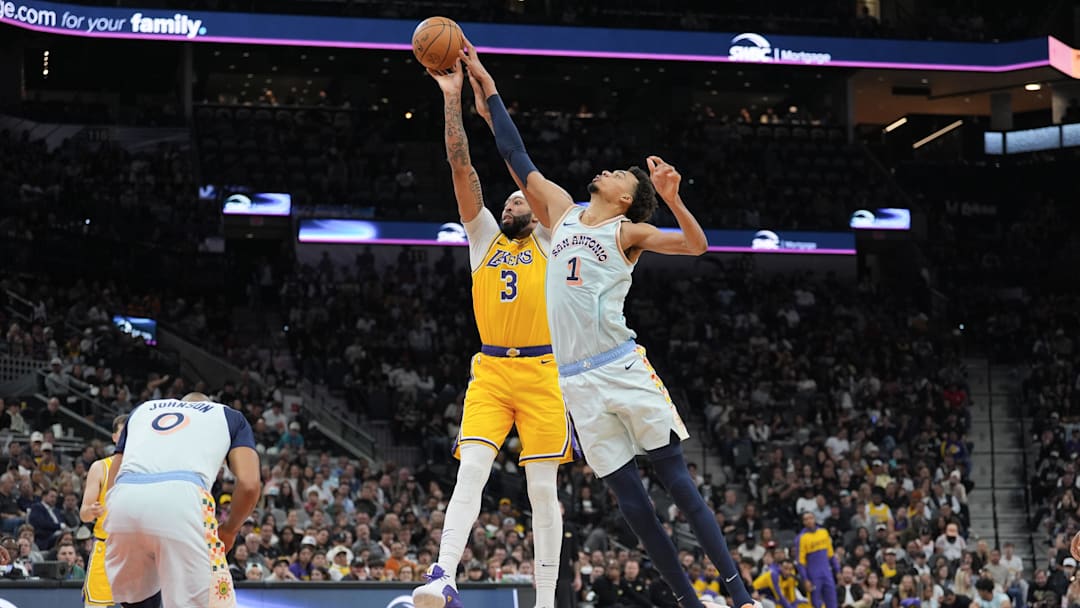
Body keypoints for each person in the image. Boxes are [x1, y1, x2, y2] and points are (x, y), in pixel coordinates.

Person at [460, 39, 757, 608]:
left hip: (621, 367)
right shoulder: (560, 210)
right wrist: (488, 89)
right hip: (575, 381)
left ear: (626, 199)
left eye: (621, 173)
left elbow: (696, 246)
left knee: (678, 486)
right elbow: (512, 152)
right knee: (635, 509)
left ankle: (740, 597)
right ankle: (691, 605)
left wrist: (672, 197)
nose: (609, 169)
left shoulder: (626, 233)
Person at [411, 57, 572, 608]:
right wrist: (452, 98)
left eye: (519, 199)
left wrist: (493, 101)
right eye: (507, 200)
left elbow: (523, 168)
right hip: (492, 370)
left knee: (541, 490)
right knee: (472, 471)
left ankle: (546, 600)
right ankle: (441, 576)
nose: (511, 202)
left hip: (547, 372)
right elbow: (462, 168)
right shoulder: (484, 237)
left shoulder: (554, 240)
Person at [103, 393, 261, 608]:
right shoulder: (228, 416)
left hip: (124, 499)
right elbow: (250, 485)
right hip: (183, 498)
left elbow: (114, 474)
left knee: (138, 600)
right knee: (211, 602)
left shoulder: (143, 410)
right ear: (208, 404)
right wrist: (230, 530)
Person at [80, 414, 127, 608]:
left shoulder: (149, 469)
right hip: (106, 548)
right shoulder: (100, 468)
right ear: (114, 437)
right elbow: (84, 514)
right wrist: (93, 511)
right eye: (124, 433)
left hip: (138, 551)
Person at [796, 512, 839, 608]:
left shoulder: (823, 532)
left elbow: (831, 554)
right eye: (806, 519)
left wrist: (837, 571)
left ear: (814, 519)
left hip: (827, 573)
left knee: (832, 601)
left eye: (811, 518)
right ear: (803, 522)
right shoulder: (801, 538)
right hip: (813, 575)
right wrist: (805, 579)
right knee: (815, 603)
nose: (809, 521)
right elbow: (800, 562)